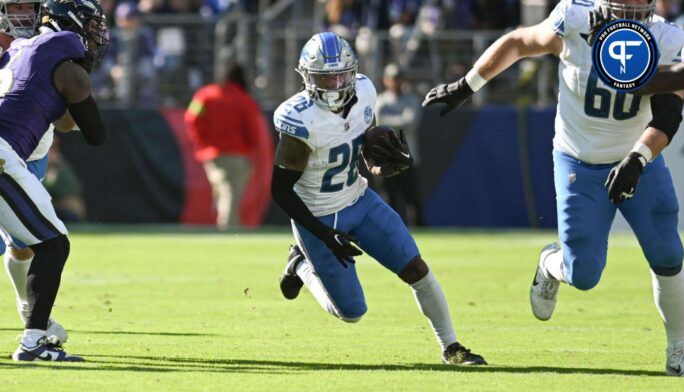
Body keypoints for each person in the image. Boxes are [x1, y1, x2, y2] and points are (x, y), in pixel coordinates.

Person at [422, 0, 684, 376]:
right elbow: (518, 42)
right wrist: (467, 84)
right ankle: (551, 263)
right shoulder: (576, 18)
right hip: (579, 159)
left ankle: (680, 347)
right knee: (584, 274)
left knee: (667, 251)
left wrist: (638, 158)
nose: (631, 5)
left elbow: (668, 114)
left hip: (638, 155)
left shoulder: (668, 36)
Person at [271, 32, 486, 366]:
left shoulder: (366, 91)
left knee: (417, 268)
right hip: (318, 216)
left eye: (341, 75)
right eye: (325, 78)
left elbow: (361, 149)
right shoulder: (300, 119)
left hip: (359, 200)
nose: (335, 84)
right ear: (308, 78)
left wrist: (376, 164)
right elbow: (281, 190)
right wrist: (323, 234)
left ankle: (451, 347)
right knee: (352, 312)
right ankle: (300, 264)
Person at [0, 0, 109, 361]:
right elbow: (96, 134)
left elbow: (55, 114)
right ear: (73, 21)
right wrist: (82, 96)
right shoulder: (66, 61)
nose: (97, 35)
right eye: (93, 25)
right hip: (4, 153)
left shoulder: (20, 48)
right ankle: (33, 341)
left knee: (38, 242)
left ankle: (37, 331)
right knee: (53, 244)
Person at [0, 0, 69, 346]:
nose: (22, 15)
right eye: (15, 7)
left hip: (32, 149)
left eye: (29, 6)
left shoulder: (45, 44)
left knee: (26, 243)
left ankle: (29, 309)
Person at [184, 61, 263, 229]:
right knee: (231, 193)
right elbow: (253, 131)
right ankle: (228, 229)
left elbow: (191, 119)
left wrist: (202, 143)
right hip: (237, 154)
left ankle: (226, 223)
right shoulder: (245, 100)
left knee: (223, 190)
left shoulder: (204, 95)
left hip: (211, 155)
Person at [374, 63, 424, 225]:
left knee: (412, 197)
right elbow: (378, 124)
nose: (396, 82)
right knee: (388, 197)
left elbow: (410, 122)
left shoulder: (411, 100)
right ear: (386, 80)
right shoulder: (380, 101)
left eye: (399, 78)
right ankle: (390, 227)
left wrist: (389, 124)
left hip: (407, 156)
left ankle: (418, 228)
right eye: (393, 78)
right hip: (386, 158)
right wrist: (397, 122)